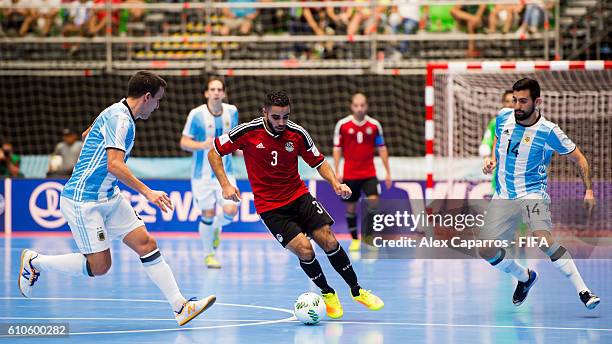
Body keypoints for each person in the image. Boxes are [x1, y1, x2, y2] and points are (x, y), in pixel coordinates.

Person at [18, 71, 216, 326]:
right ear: (146, 97)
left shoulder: (115, 110)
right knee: (100, 266)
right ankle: (36, 262)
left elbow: (87, 134)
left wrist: (94, 158)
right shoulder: (120, 119)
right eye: (158, 100)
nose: (158, 106)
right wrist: (148, 192)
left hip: (109, 196)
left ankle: (181, 307)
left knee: (146, 243)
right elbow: (114, 165)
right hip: (84, 200)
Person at [208, 90, 384, 319]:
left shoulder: (297, 134)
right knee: (305, 249)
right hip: (270, 207)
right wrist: (225, 184)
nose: (282, 122)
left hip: (299, 196)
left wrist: (336, 184)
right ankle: (327, 293)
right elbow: (214, 152)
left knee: (329, 239)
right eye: (276, 117)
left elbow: (319, 161)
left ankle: (357, 290)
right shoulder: (248, 131)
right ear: (265, 113)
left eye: (286, 117)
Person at [480, 77, 600, 309]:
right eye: (515, 100)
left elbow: (580, 158)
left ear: (537, 102)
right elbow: (497, 141)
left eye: (523, 101)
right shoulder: (504, 117)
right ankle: (525, 277)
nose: (517, 106)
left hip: (531, 194)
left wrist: (589, 190)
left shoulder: (548, 131)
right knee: (485, 249)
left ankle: (584, 291)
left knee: (543, 240)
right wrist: (491, 160)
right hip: (504, 194)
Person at [180, 76, 239, 269]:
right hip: (202, 175)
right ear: (206, 93)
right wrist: (203, 144)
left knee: (230, 210)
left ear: (223, 93)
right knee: (208, 213)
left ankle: (215, 228)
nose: (215, 93)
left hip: (226, 172)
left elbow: (235, 141)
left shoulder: (232, 112)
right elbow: (184, 143)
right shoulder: (196, 115)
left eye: (219, 89)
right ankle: (209, 255)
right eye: (212, 89)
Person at [332, 93, 391, 252]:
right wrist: (337, 171)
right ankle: (355, 240)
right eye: (356, 106)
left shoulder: (374, 126)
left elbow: (382, 148)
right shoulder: (343, 125)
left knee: (373, 202)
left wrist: (388, 172)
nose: (359, 109)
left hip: (369, 173)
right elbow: (337, 149)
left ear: (367, 106)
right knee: (351, 207)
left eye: (362, 105)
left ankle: (369, 237)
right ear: (352, 106)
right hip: (350, 174)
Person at [479, 89, 514, 193]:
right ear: (503, 104)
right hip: (500, 178)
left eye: (513, 101)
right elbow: (486, 142)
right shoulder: (495, 123)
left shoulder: (526, 124)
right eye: (507, 101)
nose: (510, 104)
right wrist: (487, 159)